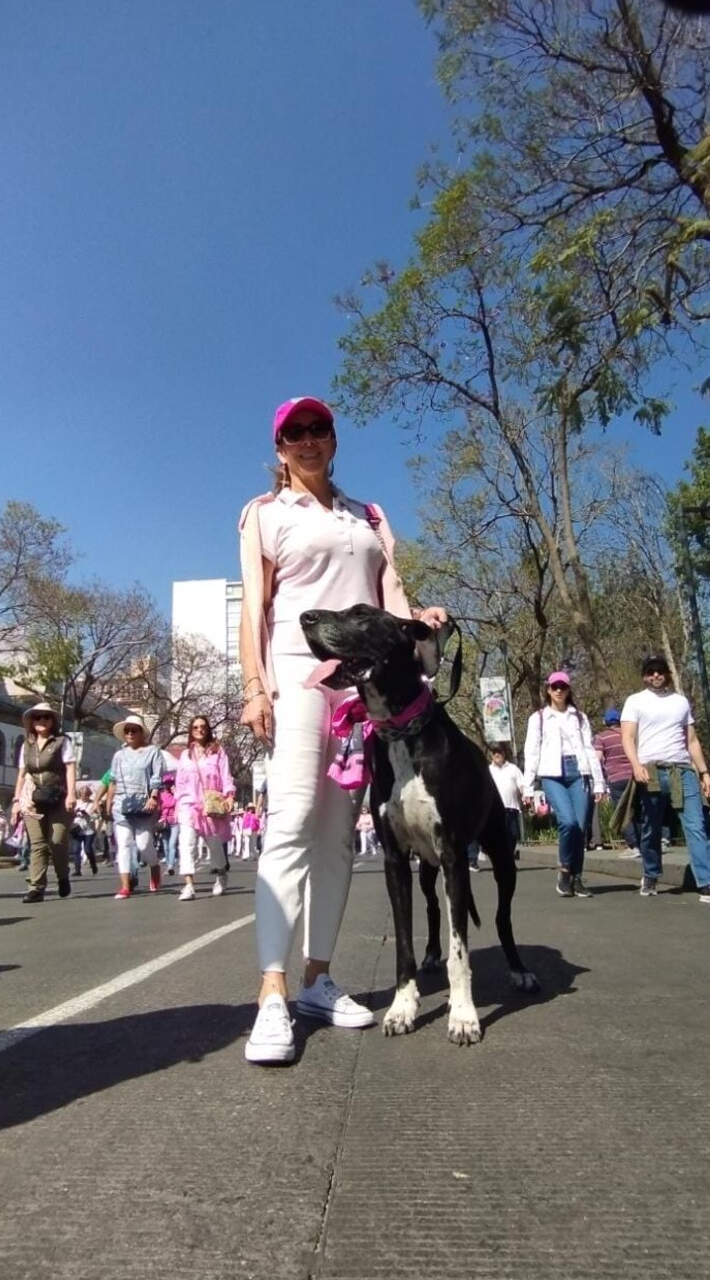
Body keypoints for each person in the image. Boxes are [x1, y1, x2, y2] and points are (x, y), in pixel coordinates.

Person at [238, 394, 447, 1065]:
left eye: (317, 429)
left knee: (337, 838)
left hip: (366, 690)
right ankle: (271, 991)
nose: (307, 440)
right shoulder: (265, 515)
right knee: (293, 821)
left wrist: (423, 625)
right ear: (279, 448)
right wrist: (254, 687)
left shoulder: (370, 516)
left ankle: (314, 979)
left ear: (333, 439)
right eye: (293, 432)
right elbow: (256, 609)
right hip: (301, 678)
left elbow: (393, 600)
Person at [620, 655, 710, 901]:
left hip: (682, 770)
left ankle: (706, 882)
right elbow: (627, 737)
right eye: (650, 672)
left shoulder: (680, 702)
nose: (656, 676)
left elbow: (691, 740)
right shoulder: (635, 701)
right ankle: (650, 873)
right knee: (651, 828)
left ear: (667, 674)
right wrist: (636, 765)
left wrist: (704, 772)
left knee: (696, 826)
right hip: (651, 771)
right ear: (644, 676)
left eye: (660, 671)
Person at [522, 672, 605, 898]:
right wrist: (528, 787)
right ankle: (565, 869)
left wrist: (599, 783)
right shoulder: (538, 718)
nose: (559, 691)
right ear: (548, 690)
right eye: (554, 687)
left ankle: (576, 878)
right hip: (552, 774)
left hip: (579, 772)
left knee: (580, 826)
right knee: (567, 822)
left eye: (563, 687)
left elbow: (589, 749)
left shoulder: (579, 717)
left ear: (568, 690)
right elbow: (531, 752)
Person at [11, 702, 76, 904]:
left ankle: (63, 876)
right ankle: (36, 888)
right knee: (38, 844)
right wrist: (16, 800)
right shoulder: (26, 745)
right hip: (32, 799)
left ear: (52, 721)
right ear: (31, 722)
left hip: (58, 798)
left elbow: (71, 768)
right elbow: (22, 775)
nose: (41, 721)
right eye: (37, 717)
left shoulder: (61, 742)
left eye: (46, 717)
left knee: (57, 841)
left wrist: (71, 794)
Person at [174, 716, 235, 901]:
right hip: (188, 804)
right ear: (190, 731)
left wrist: (229, 795)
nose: (199, 730)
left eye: (202, 727)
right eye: (195, 727)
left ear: (207, 729)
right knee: (187, 843)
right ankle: (189, 885)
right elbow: (180, 781)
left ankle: (221, 874)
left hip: (210, 804)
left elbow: (226, 775)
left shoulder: (217, 751)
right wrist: (177, 802)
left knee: (214, 845)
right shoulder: (186, 754)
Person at [106, 714, 164, 900]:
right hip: (121, 805)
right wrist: (108, 803)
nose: (130, 733)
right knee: (123, 845)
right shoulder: (118, 755)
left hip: (144, 805)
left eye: (134, 730)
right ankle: (125, 885)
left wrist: (154, 796)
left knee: (144, 844)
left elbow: (157, 777)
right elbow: (112, 781)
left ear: (142, 733)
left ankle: (154, 866)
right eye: (127, 730)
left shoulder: (153, 752)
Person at [593, 707, 640, 857]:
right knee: (637, 810)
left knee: (622, 811)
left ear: (605, 722)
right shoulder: (630, 735)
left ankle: (633, 846)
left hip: (616, 778)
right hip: (635, 776)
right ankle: (645, 842)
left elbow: (597, 759)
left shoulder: (602, 738)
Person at [488, 745, 525, 859]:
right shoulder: (489, 769)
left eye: (499, 752)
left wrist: (525, 795)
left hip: (512, 807)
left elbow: (521, 784)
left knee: (513, 834)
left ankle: (508, 856)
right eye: (494, 753)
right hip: (495, 809)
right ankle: (503, 858)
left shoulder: (513, 768)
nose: (496, 755)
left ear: (504, 754)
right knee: (498, 835)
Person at [71, 785, 98, 876]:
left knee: (87, 849)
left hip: (89, 829)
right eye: (82, 794)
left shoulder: (92, 803)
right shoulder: (76, 802)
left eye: (86, 794)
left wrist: (87, 815)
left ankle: (93, 865)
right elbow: (70, 813)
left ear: (89, 794)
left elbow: (96, 816)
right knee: (76, 849)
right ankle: (77, 870)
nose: (84, 796)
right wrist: (74, 813)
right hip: (77, 828)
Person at [158, 773, 179, 874]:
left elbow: (179, 804)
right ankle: (168, 864)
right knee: (165, 845)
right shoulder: (161, 795)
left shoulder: (177, 794)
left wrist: (176, 794)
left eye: (171, 783)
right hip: (163, 822)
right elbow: (158, 808)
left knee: (172, 844)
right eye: (167, 784)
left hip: (174, 822)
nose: (169, 785)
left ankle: (171, 865)